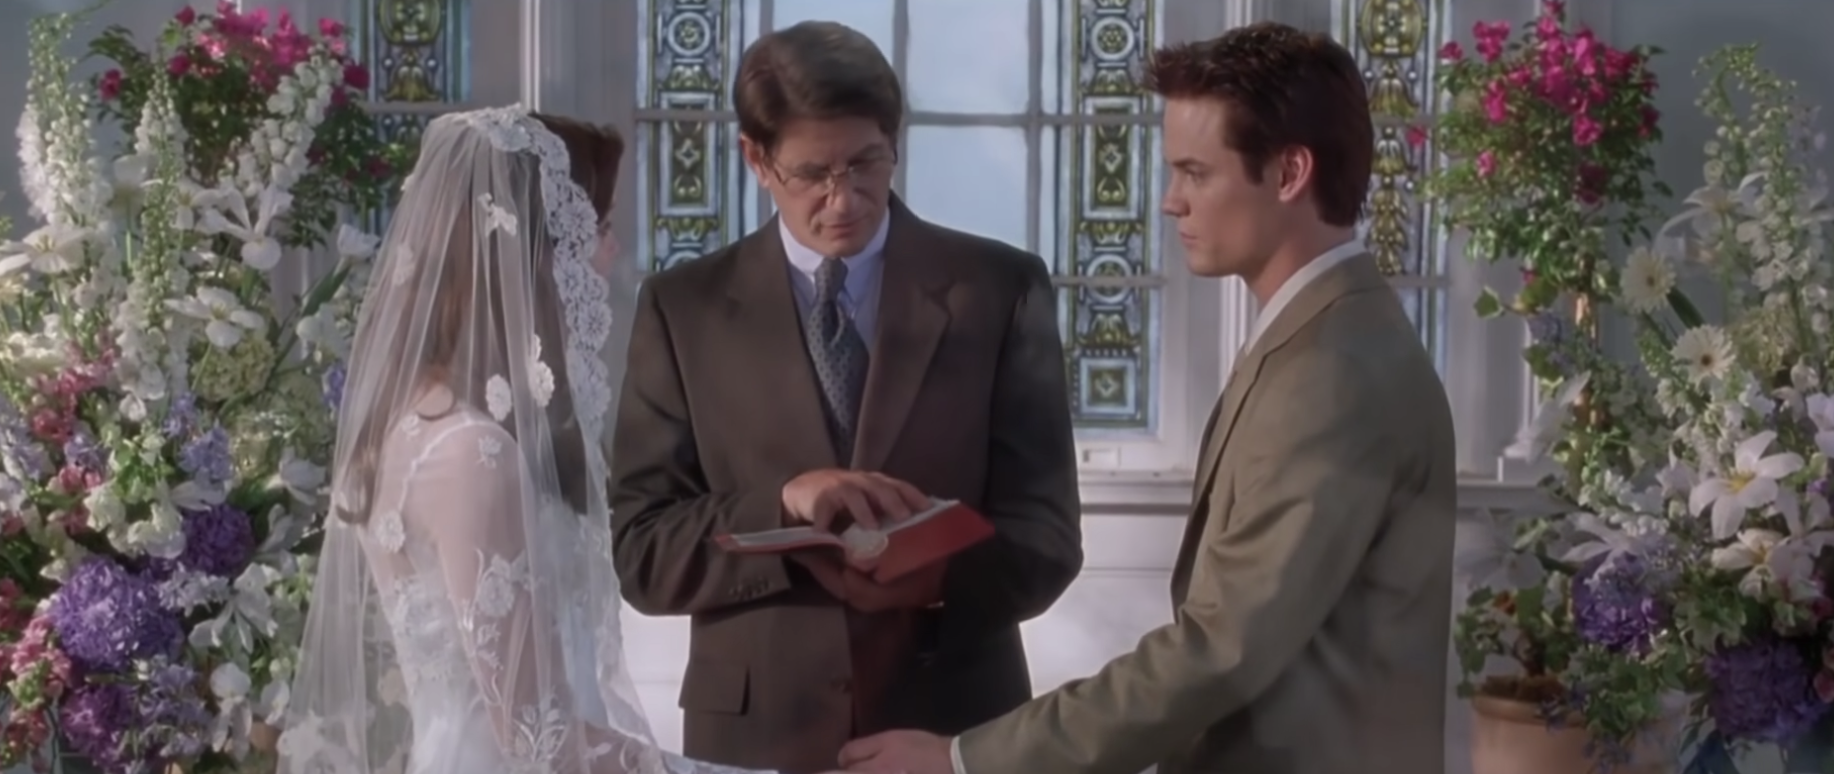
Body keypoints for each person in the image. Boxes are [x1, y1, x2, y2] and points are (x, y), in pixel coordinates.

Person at [838, 22, 1458, 774]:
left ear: (1290, 172)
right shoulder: (1323, 334)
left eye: (1196, 172)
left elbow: (1221, 648)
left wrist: (967, 761)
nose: (1170, 203)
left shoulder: (1333, 372)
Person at [276, 106, 846, 774]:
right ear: (520, 250)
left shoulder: (429, 422)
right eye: (595, 227)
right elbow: (535, 735)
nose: (609, 253)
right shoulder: (469, 453)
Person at [608, 20, 1084, 774]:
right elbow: (641, 553)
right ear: (755, 160)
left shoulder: (1001, 290)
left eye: (867, 163)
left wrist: (930, 579)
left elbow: (1049, 540)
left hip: (952, 727)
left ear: (894, 141)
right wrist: (784, 503)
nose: (845, 199)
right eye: (812, 173)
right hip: (756, 738)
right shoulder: (682, 310)